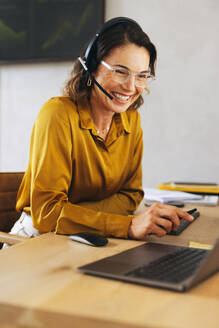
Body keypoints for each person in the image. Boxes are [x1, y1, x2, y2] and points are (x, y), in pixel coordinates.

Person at [8, 17, 193, 243]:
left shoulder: (131, 120)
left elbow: (132, 196)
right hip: (37, 240)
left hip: (95, 239)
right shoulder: (57, 115)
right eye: (120, 71)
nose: (131, 87)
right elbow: (47, 214)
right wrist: (125, 224)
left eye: (142, 76)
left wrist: (77, 214)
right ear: (91, 66)